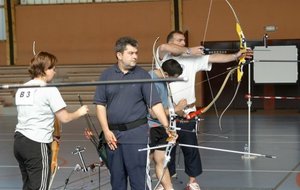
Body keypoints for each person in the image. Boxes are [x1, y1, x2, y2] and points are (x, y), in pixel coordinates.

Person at [157, 30, 252, 190]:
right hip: (168, 112)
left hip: (188, 112)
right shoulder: (162, 58)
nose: (182, 43)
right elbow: (163, 46)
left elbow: (215, 57)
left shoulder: (192, 59)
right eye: (179, 40)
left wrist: (236, 55)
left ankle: (192, 182)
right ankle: (166, 182)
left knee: (190, 148)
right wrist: (189, 50)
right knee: (166, 150)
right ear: (171, 42)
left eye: (183, 40)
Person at [94, 36, 170, 190]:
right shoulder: (106, 75)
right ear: (119, 55)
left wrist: (167, 126)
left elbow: (155, 104)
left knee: (138, 179)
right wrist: (107, 131)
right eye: (130, 53)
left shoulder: (142, 75)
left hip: (136, 135)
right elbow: (100, 105)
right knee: (117, 179)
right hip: (113, 136)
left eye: (136, 53)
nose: (135, 56)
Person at [14, 51, 89, 190]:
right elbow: (64, 118)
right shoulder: (50, 90)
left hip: (19, 143)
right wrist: (79, 112)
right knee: (40, 187)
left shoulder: (22, 88)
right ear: (44, 70)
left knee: (28, 186)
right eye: (52, 69)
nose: (55, 72)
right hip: (36, 144)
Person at [148, 59, 187, 190]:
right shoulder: (150, 81)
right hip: (149, 128)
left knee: (161, 161)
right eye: (172, 78)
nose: (172, 81)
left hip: (162, 127)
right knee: (145, 163)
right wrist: (176, 109)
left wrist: (180, 111)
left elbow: (165, 102)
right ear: (165, 73)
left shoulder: (163, 81)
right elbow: (153, 113)